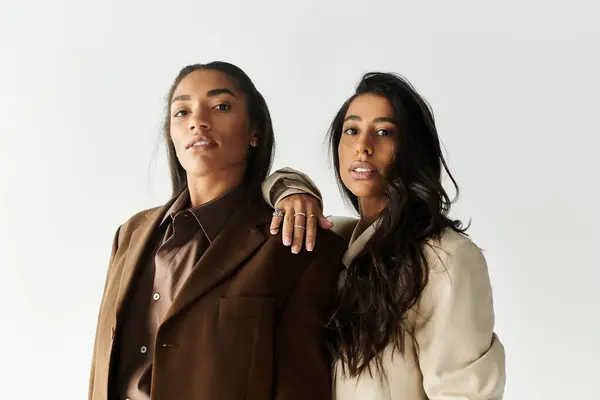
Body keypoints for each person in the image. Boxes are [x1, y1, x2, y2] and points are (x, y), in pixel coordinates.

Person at [88, 61, 346, 400]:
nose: (198, 121)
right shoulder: (132, 233)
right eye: (181, 112)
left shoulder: (293, 243)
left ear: (255, 131)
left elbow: (301, 385)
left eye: (221, 106)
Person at [262, 72, 506, 399]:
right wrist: (294, 193)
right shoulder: (336, 239)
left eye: (383, 132)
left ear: (412, 149)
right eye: (351, 130)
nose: (363, 146)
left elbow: (464, 393)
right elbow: (260, 188)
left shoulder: (445, 256)